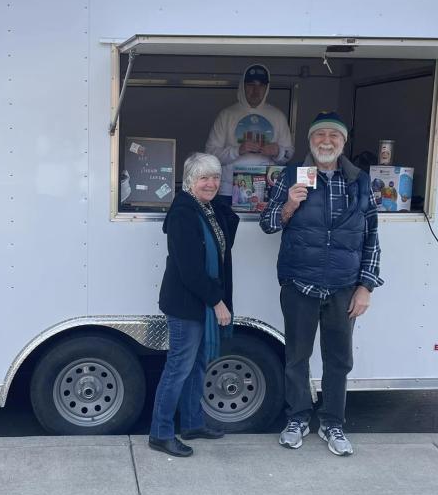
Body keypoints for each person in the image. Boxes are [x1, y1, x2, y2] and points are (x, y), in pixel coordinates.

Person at [259, 111, 382, 456]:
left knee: (339, 360)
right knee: (296, 356)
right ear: (310, 141)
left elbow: (372, 235)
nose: (326, 141)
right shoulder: (292, 176)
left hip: (344, 286)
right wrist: (288, 206)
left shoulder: (360, 180)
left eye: (334, 136)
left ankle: (333, 423)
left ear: (343, 142)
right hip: (301, 283)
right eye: (319, 135)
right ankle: (297, 418)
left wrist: (366, 287)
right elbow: (267, 224)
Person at [150, 152, 240, 457]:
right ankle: (160, 433)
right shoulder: (183, 213)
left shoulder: (208, 209)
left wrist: (223, 209)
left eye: (215, 177)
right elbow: (189, 268)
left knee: (197, 366)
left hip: (200, 302)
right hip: (187, 304)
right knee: (178, 368)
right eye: (204, 178)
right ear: (190, 181)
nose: (211, 183)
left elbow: (224, 243)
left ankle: (191, 423)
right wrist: (217, 302)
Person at [206, 64, 295, 206]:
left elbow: (288, 155)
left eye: (261, 86)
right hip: (230, 191)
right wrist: (238, 150)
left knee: (265, 228)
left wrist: (278, 151)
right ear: (242, 86)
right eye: (250, 85)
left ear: (267, 88)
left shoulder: (277, 116)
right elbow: (210, 155)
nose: (256, 91)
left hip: (267, 189)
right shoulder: (226, 115)